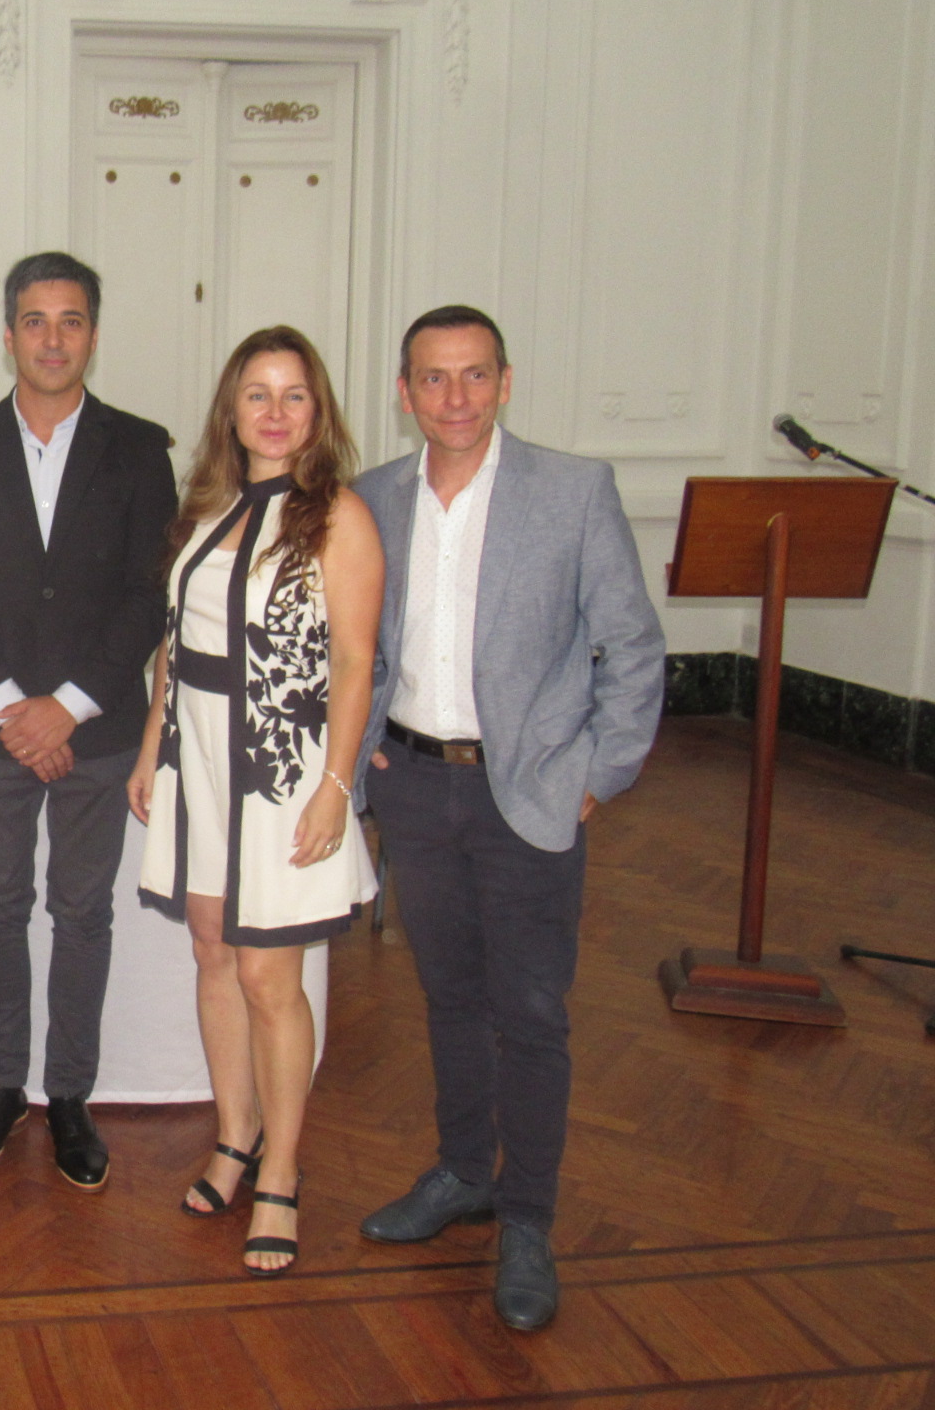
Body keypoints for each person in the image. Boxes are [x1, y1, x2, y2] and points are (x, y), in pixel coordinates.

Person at [353, 305, 664, 1330]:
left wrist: (599, 774)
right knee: (447, 995)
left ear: (505, 382)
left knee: (530, 1013)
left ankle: (526, 1218)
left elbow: (631, 645)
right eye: (434, 378)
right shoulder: (374, 498)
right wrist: (366, 755)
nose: (456, 397)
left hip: (526, 792)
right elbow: (356, 645)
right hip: (414, 785)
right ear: (404, 391)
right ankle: (460, 1173)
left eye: (475, 375)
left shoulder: (573, 491)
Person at [128, 326, 383, 1274]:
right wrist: (151, 747)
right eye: (258, 395)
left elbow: (354, 661)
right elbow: (175, 639)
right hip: (196, 759)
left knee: (273, 975)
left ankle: (281, 1167)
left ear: (318, 412)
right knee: (213, 950)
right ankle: (234, 1136)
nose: (275, 413)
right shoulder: (209, 506)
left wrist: (337, 788)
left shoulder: (339, 517)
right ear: (231, 411)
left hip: (281, 769)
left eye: (294, 395)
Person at [0, 252, 177, 1190]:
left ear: (93, 336)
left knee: (82, 913)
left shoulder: (141, 447)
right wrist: (9, 708)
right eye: (36, 320)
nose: (53, 339)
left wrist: (65, 708)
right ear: (9, 335)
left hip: (96, 732)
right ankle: (1, 1087)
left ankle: (69, 1094)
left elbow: (150, 595)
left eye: (71, 321)